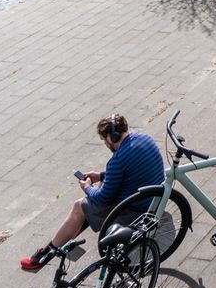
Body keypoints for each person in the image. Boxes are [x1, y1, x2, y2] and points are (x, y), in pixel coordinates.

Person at [21, 115, 165, 272]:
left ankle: (46, 254)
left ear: (111, 136)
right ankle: (74, 229)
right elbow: (132, 169)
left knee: (79, 206)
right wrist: (101, 176)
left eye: (104, 139)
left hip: (136, 210)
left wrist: (87, 187)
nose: (105, 143)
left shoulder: (117, 160)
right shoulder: (145, 138)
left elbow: (102, 199)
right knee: (102, 184)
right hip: (155, 200)